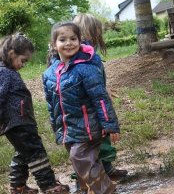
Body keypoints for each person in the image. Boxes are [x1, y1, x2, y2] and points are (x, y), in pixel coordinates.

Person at [42, 22, 120, 194]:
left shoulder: (85, 69)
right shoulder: (49, 74)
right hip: (69, 130)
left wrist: (110, 125)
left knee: (79, 156)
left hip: (88, 127)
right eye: (63, 39)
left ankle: (106, 190)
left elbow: (101, 98)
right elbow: (51, 105)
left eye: (73, 38)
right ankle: (86, 190)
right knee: (82, 162)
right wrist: (58, 129)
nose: (69, 43)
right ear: (54, 45)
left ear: (80, 41)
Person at [0, 33, 69, 194]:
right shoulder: (3, 73)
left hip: (21, 121)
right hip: (17, 122)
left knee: (23, 153)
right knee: (36, 152)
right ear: (11, 54)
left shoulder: (7, 71)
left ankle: (18, 187)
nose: (23, 65)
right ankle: (48, 185)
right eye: (23, 60)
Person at [73, 13, 128, 180]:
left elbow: (92, 80)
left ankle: (104, 169)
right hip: (87, 105)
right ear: (90, 31)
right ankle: (91, 175)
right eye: (98, 31)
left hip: (87, 101)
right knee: (94, 138)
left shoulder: (85, 52)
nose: (100, 35)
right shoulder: (84, 54)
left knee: (94, 138)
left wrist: (104, 88)